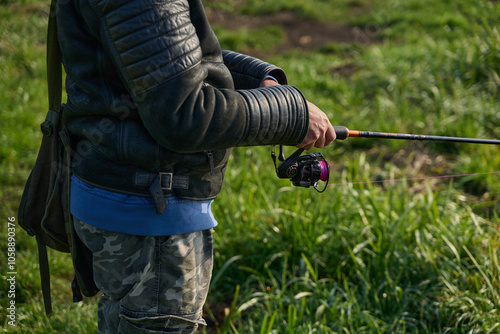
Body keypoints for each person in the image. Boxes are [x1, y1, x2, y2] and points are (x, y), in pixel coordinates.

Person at [56, 0, 336, 332]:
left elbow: (155, 59)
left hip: (121, 201)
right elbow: (184, 113)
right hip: (151, 219)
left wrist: (257, 79)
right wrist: (292, 114)